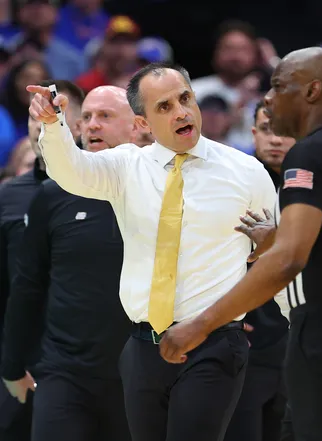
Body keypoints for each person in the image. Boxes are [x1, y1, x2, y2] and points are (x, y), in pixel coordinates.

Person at [25, 62, 277, 441]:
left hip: (213, 343)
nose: (181, 112)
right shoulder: (127, 166)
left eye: (184, 99)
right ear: (142, 124)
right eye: (163, 107)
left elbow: (276, 251)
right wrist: (53, 125)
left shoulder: (247, 171)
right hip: (143, 346)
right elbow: (70, 171)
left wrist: (269, 244)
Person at [158, 47, 322, 441]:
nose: (267, 98)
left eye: (279, 86)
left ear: (312, 91)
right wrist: (278, 237)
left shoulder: (310, 153)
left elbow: (288, 260)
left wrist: (201, 324)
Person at [1, 85, 137, 441]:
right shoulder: (53, 193)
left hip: (141, 371)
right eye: (86, 117)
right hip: (65, 372)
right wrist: (12, 364)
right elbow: (28, 284)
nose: (91, 126)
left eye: (105, 116)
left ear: (141, 126)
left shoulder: (164, 189)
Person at [0, 79, 84, 441]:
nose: (40, 121)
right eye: (35, 113)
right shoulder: (9, 196)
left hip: (84, 353)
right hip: (19, 350)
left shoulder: (103, 188)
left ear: (79, 125)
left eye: (53, 112)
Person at [224, 100, 294, 441]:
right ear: (253, 134)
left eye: (285, 131)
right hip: (247, 337)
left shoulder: (316, 188)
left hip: (298, 338)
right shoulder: (232, 186)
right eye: (267, 130)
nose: (276, 139)